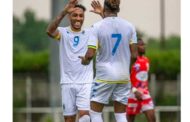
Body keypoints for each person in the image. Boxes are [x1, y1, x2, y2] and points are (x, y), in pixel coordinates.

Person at [79, 0, 138, 121]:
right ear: (118, 8)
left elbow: (90, 55)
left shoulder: (96, 27)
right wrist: (128, 71)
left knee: (95, 113)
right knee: (121, 114)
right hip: (123, 76)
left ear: (104, 7)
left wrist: (84, 60)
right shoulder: (129, 26)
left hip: (104, 76)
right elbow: (135, 55)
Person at [46, 0, 97, 122]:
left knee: (85, 115)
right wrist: (63, 12)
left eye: (81, 16)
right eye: (75, 15)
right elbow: (49, 31)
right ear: (69, 16)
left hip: (85, 82)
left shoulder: (90, 33)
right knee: (69, 119)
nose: (78, 18)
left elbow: (91, 52)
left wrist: (87, 59)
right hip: (67, 82)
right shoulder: (63, 32)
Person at [126, 39, 156, 122]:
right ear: (135, 47)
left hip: (144, 94)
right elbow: (125, 78)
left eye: (144, 45)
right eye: (141, 45)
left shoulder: (146, 60)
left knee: (152, 118)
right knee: (130, 120)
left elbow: (144, 78)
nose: (144, 47)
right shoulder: (130, 60)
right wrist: (135, 91)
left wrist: (146, 90)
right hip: (132, 94)